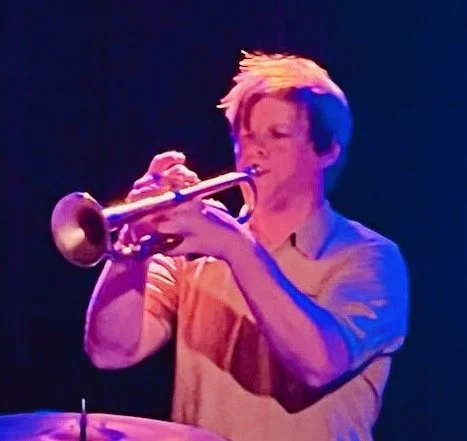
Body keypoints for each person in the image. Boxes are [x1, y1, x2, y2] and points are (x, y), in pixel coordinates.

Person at [84, 50, 409, 441]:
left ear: (327, 151)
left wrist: (237, 247)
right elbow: (111, 352)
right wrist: (132, 246)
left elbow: (320, 364)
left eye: (278, 134)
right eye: (247, 135)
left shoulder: (369, 257)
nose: (255, 149)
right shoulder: (195, 247)